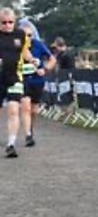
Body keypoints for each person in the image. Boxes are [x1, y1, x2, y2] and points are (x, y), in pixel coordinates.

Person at [18, 20, 54, 148]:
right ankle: (28, 135)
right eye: (24, 35)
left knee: (33, 110)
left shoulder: (38, 45)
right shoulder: (16, 46)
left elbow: (52, 59)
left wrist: (45, 69)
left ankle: (30, 128)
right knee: (26, 107)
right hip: (23, 80)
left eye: (30, 35)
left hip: (37, 81)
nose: (27, 38)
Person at [0, 7, 28, 158]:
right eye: (3, 22)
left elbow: (24, 52)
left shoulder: (20, 34)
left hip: (14, 77)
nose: (7, 25)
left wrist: (33, 60)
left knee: (13, 109)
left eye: (10, 22)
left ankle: (11, 144)